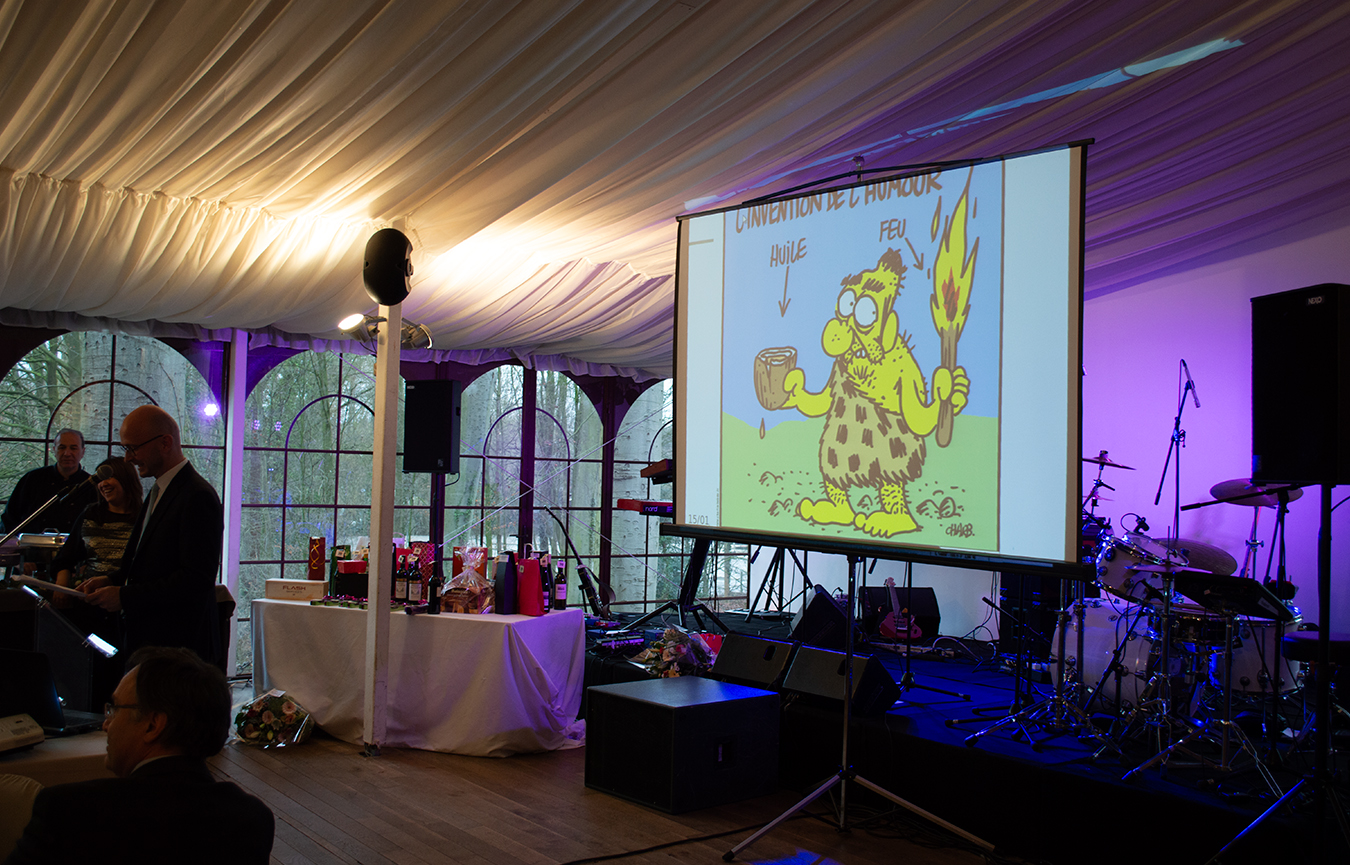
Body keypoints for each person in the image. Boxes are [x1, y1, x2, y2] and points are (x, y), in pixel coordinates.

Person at [2, 646, 275, 864]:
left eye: (114, 709)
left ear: (152, 725)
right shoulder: (250, 819)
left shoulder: (70, 812)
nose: (105, 724)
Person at [82, 406, 224, 667]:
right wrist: (112, 580)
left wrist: (124, 597)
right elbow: (150, 563)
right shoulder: (159, 489)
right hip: (150, 644)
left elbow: (195, 580)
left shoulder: (197, 495)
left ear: (165, 443)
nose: (128, 458)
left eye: (133, 448)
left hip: (178, 650)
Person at [0, 429, 99, 536]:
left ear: (83, 452)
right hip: (32, 545)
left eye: (73, 448)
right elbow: (9, 519)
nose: (67, 453)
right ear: (54, 450)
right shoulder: (32, 479)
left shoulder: (91, 485)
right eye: (62, 447)